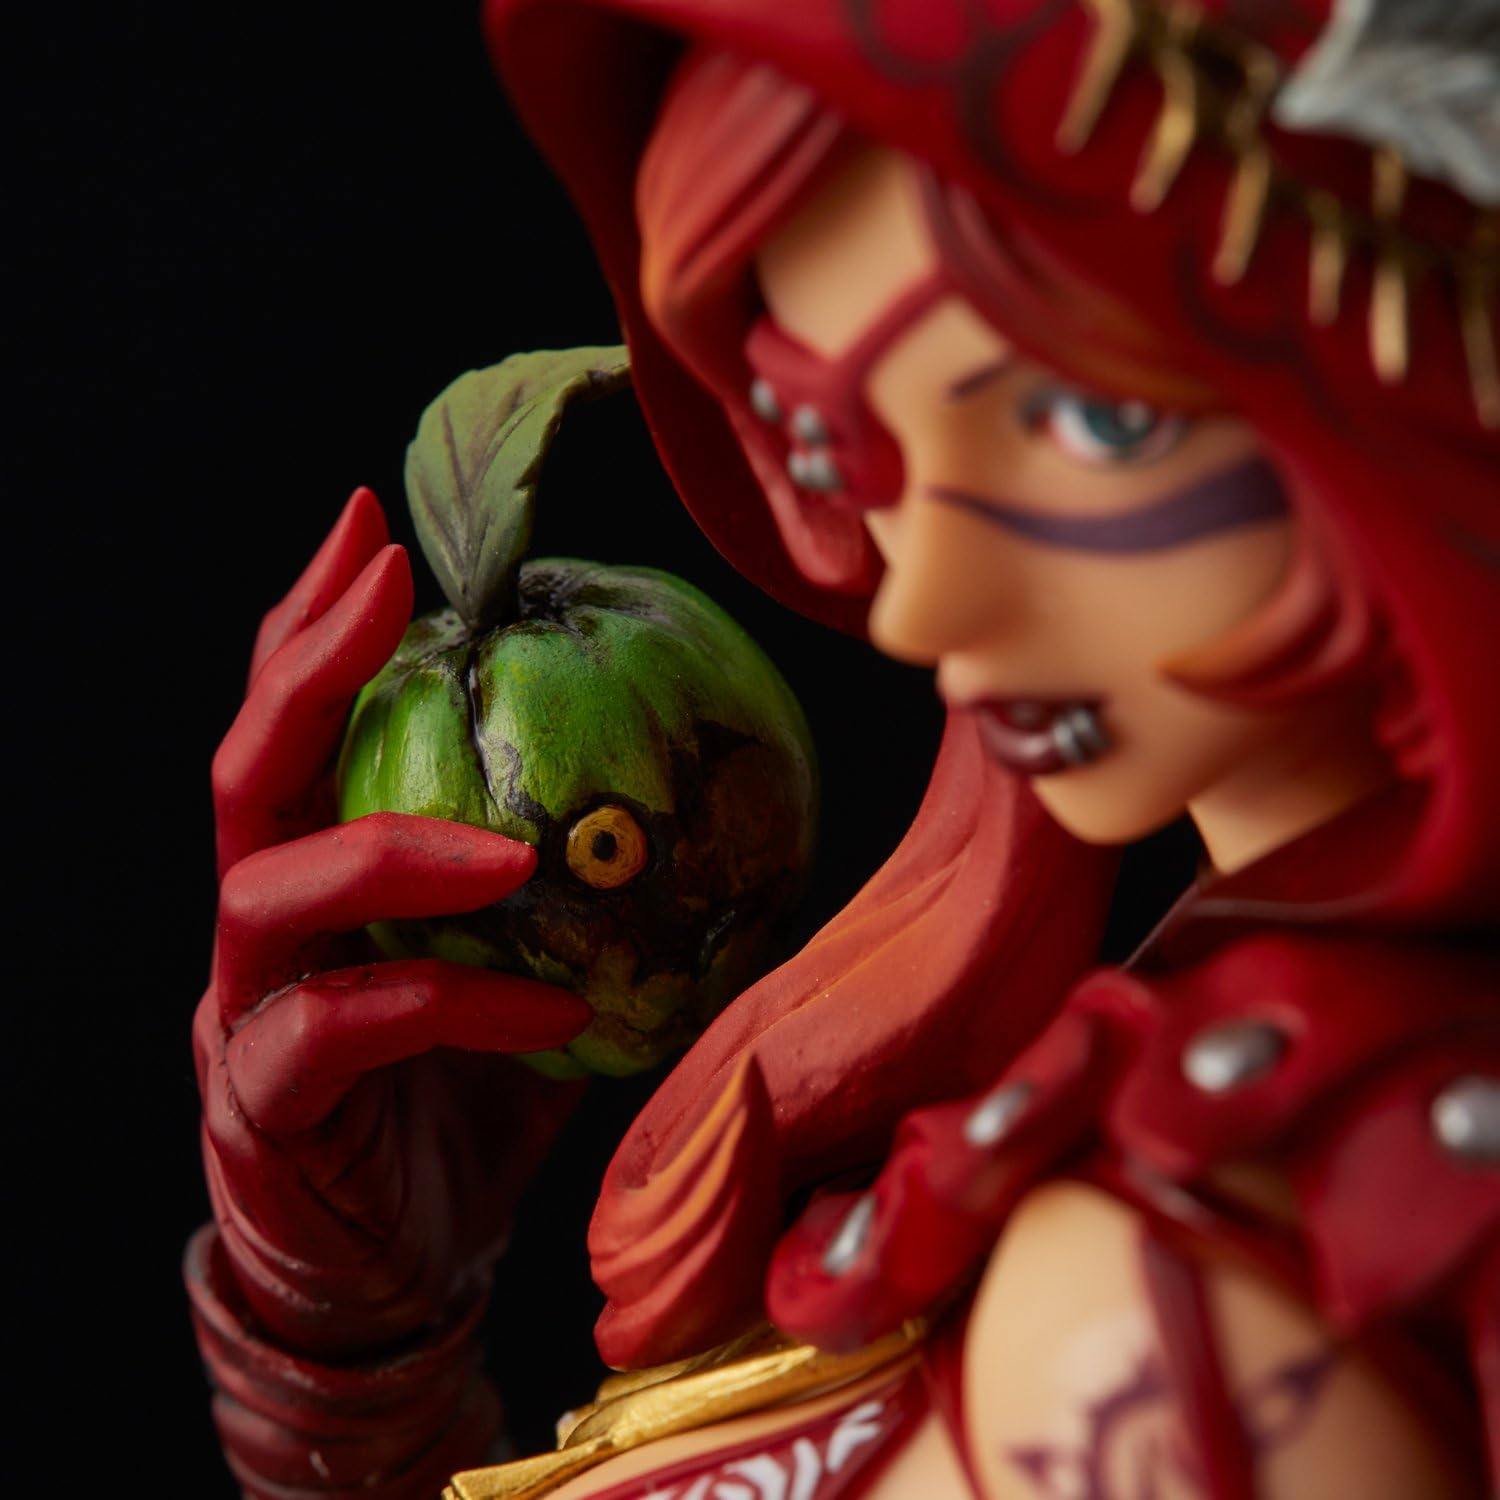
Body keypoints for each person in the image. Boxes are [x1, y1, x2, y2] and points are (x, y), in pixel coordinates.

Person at [188, 1, 1499, 1497]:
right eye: (839, 442)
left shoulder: (1168, 1313)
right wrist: (364, 1364)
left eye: (1094, 421)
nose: (925, 596)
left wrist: (345, 1394)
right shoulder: (1245, 1158)